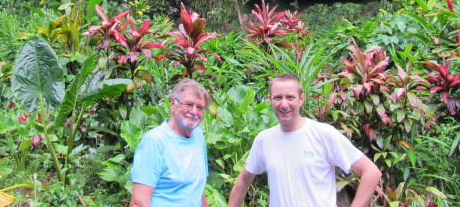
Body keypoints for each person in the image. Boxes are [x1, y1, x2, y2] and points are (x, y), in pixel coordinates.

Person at [228, 73, 382, 207]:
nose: (284, 104)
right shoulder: (264, 140)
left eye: (290, 97)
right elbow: (243, 181)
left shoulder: (323, 134)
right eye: (278, 98)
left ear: (301, 99)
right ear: (270, 100)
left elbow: (371, 173)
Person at [130, 78, 210, 207]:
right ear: (173, 103)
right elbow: (139, 201)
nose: (194, 111)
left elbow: (197, 189)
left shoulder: (198, 136)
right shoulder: (155, 141)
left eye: (200, 107)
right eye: (188, 104)